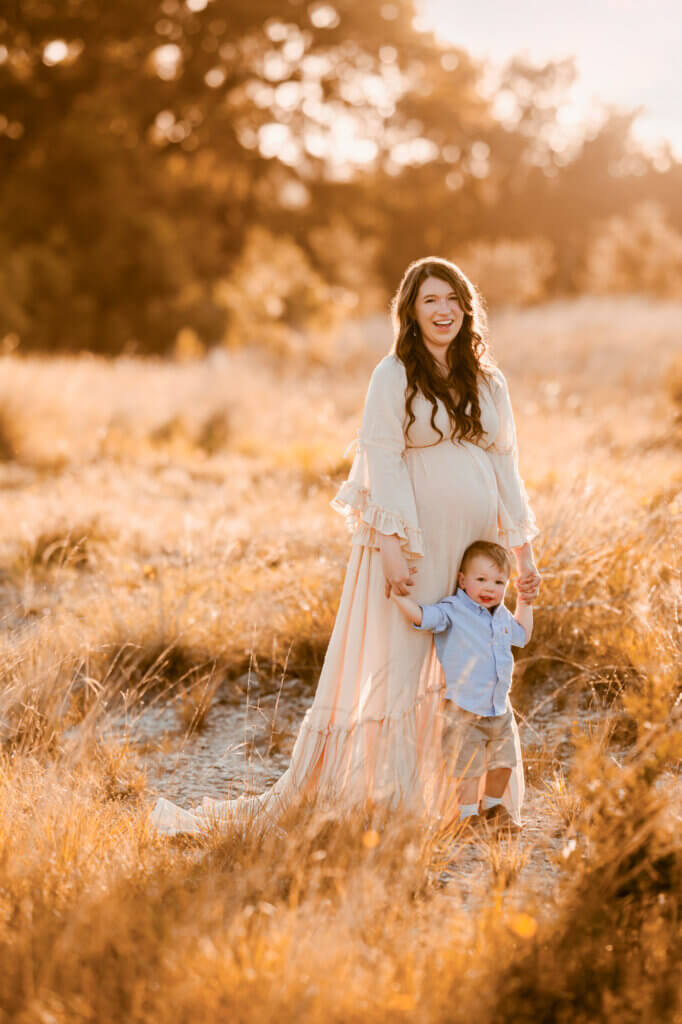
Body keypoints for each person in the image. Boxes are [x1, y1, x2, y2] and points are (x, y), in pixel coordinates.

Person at [149, 256, 540, 836]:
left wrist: (523, 552)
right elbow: (382, 458)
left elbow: (506, 465)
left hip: (473, 551)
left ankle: (476, 805)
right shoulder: (393, 375)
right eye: (430, 300)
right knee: (406, 659)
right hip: (414, 542)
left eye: (453, 299)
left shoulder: (490, 381)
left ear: (467, 308)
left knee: (472, 661)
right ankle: (395, 799)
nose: (443, 310)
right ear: (410, 311)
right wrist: (390, 542)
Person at [390, 540, 533, 830]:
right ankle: (467, 817)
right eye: (481, 579)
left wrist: (523, 603)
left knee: (503, 763)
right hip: (463, 710)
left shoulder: (502, 615)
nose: (489, 588)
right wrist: (398, 597)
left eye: (498, 582)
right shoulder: (453, 609)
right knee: (467, 769)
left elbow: (522, 636)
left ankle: (493, 810)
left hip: (498, 709)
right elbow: (422, 616)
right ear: (462, 580)